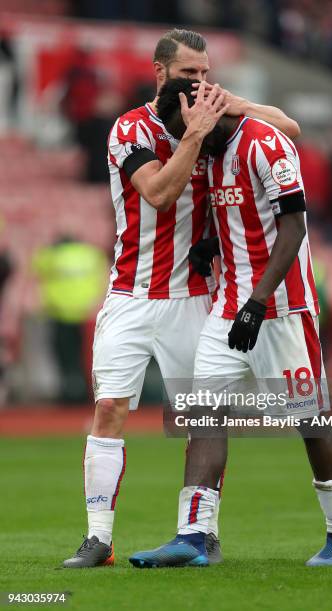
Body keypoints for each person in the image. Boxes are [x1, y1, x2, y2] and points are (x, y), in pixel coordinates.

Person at [63, 28, 300, 568]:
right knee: (109, 410)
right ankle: (99, 539)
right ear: (160, 73)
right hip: (131, 292)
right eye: (189, 73)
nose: (199, 83)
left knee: (204, 416)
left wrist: (234, 105)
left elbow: (289, 129)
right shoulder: (131, 129)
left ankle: (199, 533)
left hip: (196, 297)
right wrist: (194, 135)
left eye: (205, 73)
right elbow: (159, 192)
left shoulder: (218, 116)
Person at [128, 78, 332, 568]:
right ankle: (193, 536)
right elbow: (240, 216)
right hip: (230, 308)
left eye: (185, 128)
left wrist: (257, 302)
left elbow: (294, 226)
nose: (181, 139)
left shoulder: (265, 141)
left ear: (208, 110)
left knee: (311, 421)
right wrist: (211, 247)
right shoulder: (210, 153)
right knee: (202, 410)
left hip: (282, 310)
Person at [33, 236, 107, 404]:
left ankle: (70, 395)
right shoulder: (92, 254)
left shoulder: (51, 255)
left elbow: (34, 271)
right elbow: (105, 278)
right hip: (88, 314)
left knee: (66, 359)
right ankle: (92, 394)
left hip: (60, 314)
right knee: (90, 359)